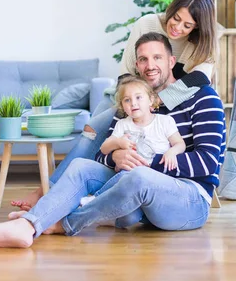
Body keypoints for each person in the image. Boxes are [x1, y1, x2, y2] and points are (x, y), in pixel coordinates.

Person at [0, 32, 226, 248]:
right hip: (143, 197)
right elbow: (101, 154)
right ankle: (32, 224)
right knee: (81, 167)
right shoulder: (133, 103)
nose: (150, 65)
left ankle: (53, 224)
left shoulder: (203, 97)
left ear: (171, 61)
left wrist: (145, 163)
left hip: (189, 198)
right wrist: (114, 156)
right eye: (143, 59)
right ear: (137, 66)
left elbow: (209, 162)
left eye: (157, 57)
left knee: (139, 176)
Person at [11, 0, 219, 211]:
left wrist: (153, 101)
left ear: (197, 27)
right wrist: (140, 99)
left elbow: (199, 80)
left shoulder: (200, 46)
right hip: (128, 95)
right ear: (171, 9)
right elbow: (126, 73)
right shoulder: (148, 23)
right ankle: (46, 191)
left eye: (187, 25)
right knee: (91, 132)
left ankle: (69, 198)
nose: (177, 28)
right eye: (176, 18)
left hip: (161, 105)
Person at [79, 74, 185, 207]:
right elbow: (104, 148)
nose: (133, 103)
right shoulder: (123, 124)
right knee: (124, 176)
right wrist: (118, 142)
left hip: (158, 174)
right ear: (122, 106)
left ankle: (97, 198)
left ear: (151, 100)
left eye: (138, 97)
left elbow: (180, 144)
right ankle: (102, 201)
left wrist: (171, 152)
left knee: (127, 178)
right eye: (127, 100)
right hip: (130, 172)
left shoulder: (164, 121)